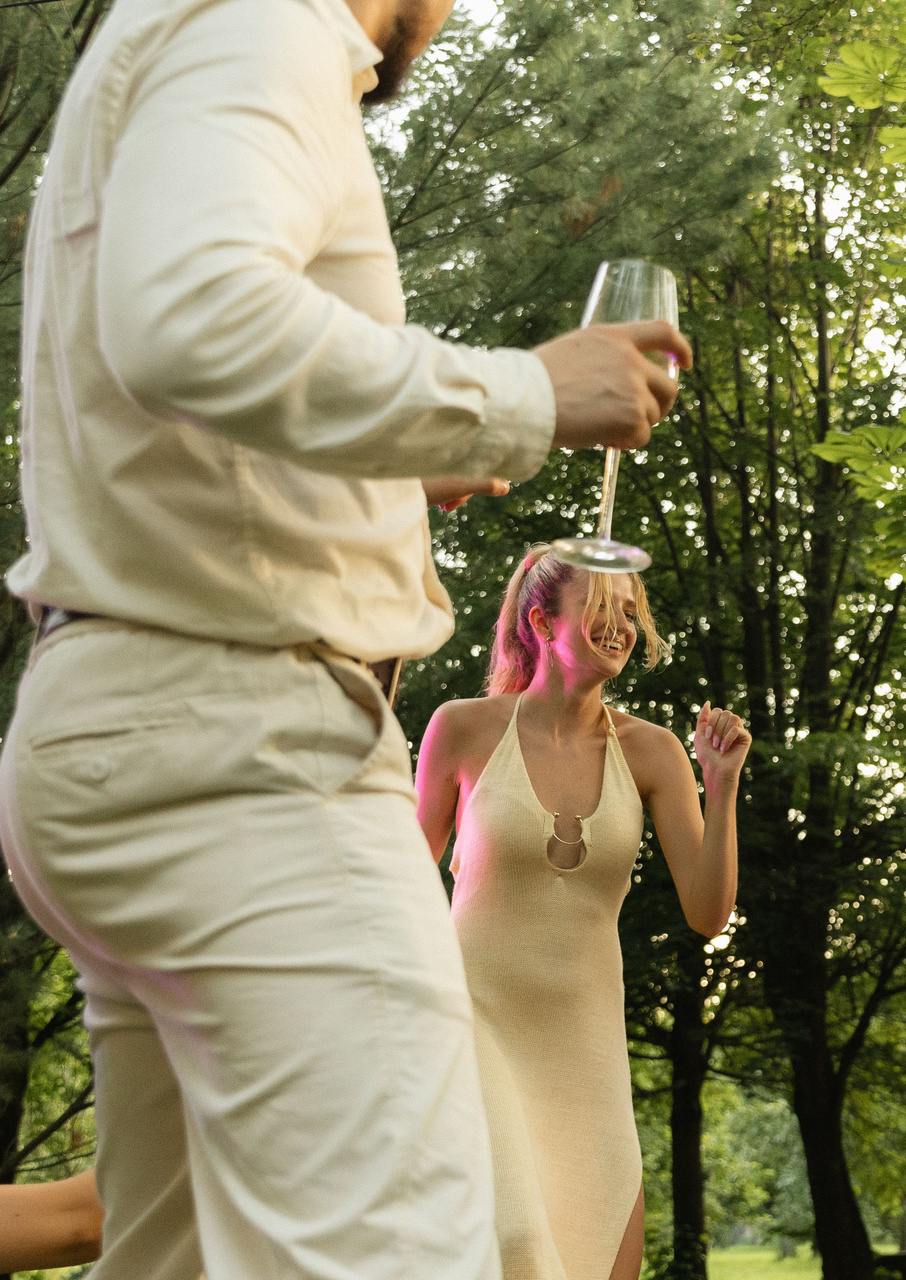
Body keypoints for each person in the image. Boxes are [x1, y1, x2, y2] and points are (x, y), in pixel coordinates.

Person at [0, 0, 692, 1272]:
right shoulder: (265, 19)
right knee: (414, 1247)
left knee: (175, 1249)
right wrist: (524, 392)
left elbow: (180, 410)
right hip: (243, 753)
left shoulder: (193, 35)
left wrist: (388, 473)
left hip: (139, 722)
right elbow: (192, 319)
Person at [415, 547, 747, 1280]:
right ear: (541, 622)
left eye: (630, 611)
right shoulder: (462, 728)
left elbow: (707, 912)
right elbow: (402, 882)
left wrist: (720, 785)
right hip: (475, 1020)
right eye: (600, 608)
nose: (621, 626)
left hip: (588, 1044)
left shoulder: (654, 752)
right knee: (516, 1239)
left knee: (599, 1254)